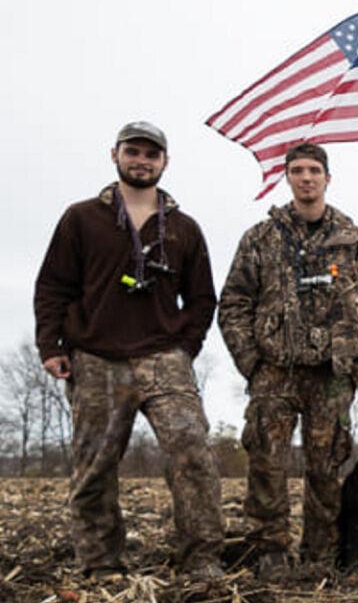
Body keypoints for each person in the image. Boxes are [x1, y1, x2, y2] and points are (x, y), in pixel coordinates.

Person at [32, 122, 223, 579]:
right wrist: (51, 345)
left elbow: (202, 299)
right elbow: (53, 286)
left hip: (163, 358)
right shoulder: (81, 218)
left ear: (165, 163)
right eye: (133, 152)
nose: (142, 161)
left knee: (193, 452)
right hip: (95, 356)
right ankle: (100, 562)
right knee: (94, 463)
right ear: (114, 155)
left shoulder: (183, 228)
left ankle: (201, 558)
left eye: (151, 155)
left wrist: (185, 348)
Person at [220, 142, 358, 574]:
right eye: (297, 170)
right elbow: (234, 303)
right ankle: (270, 549)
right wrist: (252, 363)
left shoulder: (354, 241)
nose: (306, 178)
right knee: (266, 462)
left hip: (333, 375)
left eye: (314, 170)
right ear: (287, 177)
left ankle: (319, 555)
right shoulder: (261, 237)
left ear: (328, 178)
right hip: (275, 371)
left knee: (326, 467)